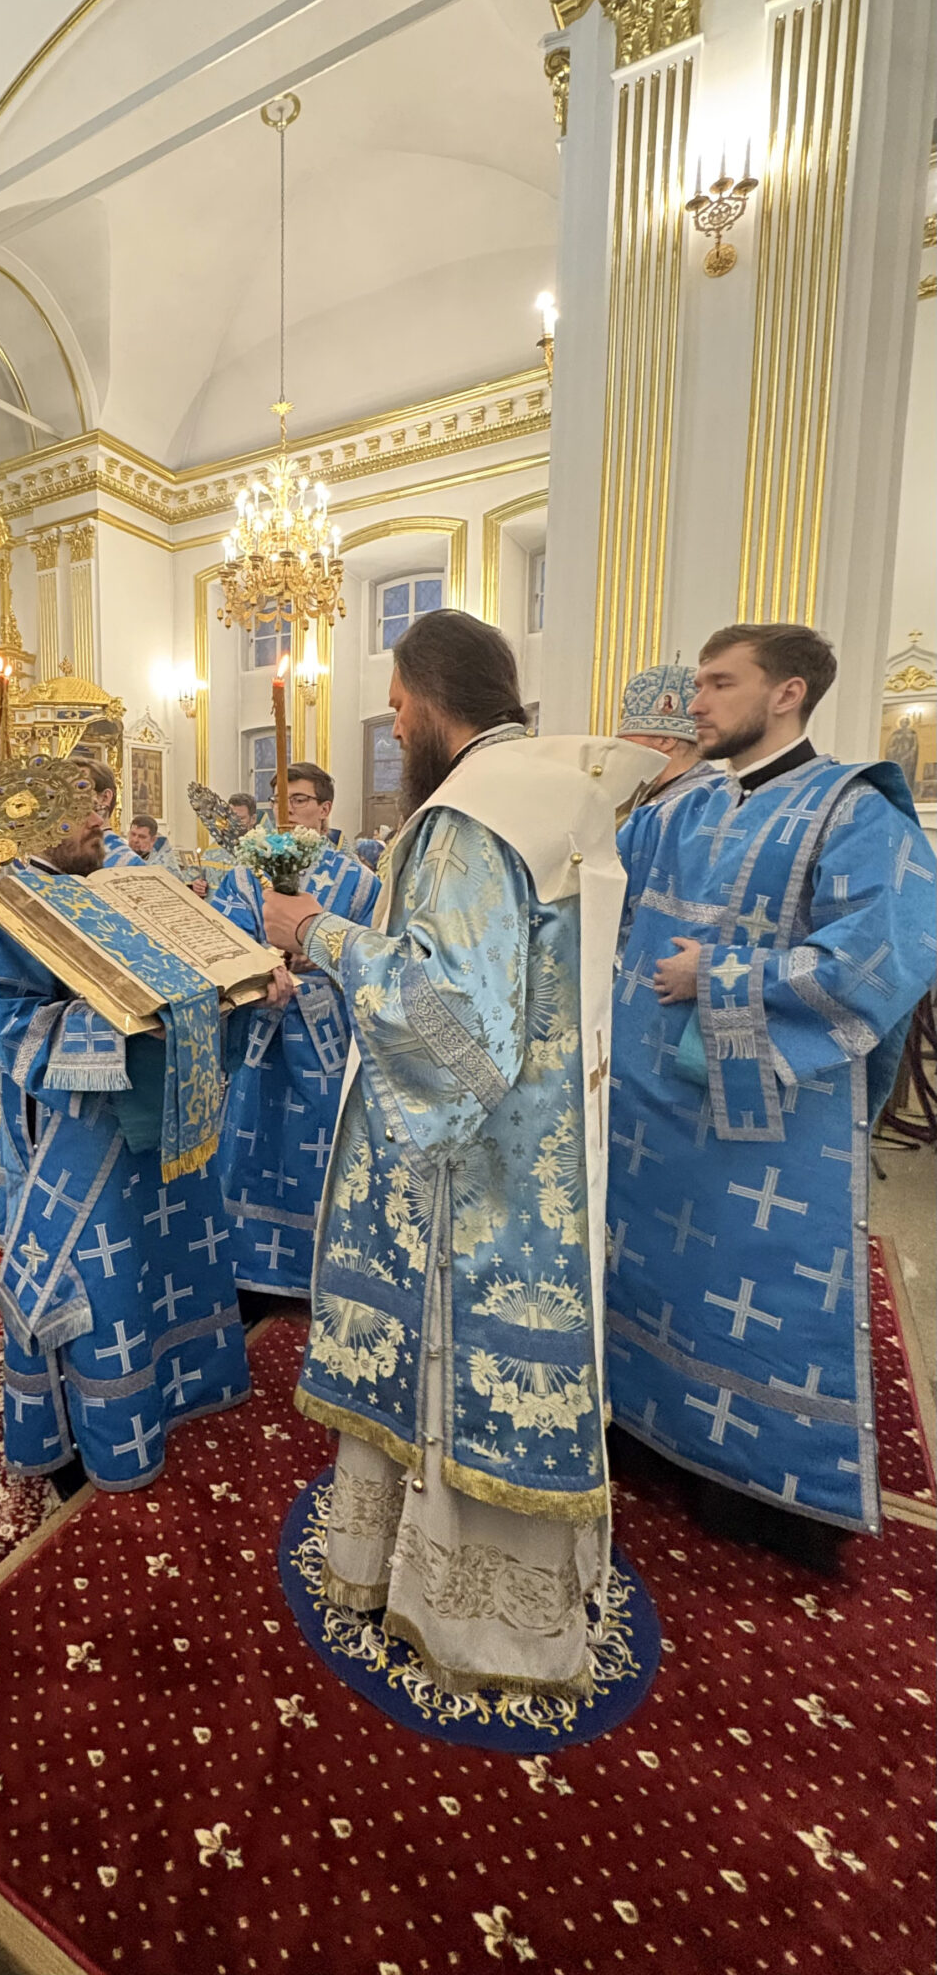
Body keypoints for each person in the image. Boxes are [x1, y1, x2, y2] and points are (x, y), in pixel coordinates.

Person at [262, 612, 657, 1694]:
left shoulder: (471, 817)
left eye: (397, 706)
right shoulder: (547, 789)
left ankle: (462, 1611)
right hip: (543, 1149)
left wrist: (314, 932)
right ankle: (473, 1585)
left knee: (455, 1363)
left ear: (434, 696)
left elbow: (457, 1026)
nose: (393, 727)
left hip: (473, 1175)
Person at [606, 624, 937, 1569]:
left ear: (787, 692)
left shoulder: (854, 811)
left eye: (720, 683)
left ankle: (764, 1484)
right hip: (647, 1104)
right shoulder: (679, 808)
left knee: (754, 1283)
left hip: (768, 1125)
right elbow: (587, 888)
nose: (696, 703)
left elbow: (884, 955)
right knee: (645, 1265)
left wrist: (722, 974)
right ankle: (642, 1425)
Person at [0, 757, 258, 1491]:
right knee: (103, 1288)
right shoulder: (9, 908)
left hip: (155, 1118)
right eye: (84, 810)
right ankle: (95, 1432)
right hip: (77, 1136)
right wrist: (132, 1020)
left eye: (100, 805)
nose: (103, 819)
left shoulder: (109, 890)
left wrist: (235, 989)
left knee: (162, 1260)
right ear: (39, 822)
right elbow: (13, 1026)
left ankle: (178, 1389)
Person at [211, 762, 378, 1304]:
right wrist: (259, 960)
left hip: (325, 1041)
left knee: (319, 1147)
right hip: (258, 1031)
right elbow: (219, 934)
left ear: (326, 808)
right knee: (249, 1141)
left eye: (301, 800)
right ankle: (246, 1267)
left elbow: (377, 954)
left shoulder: (360, 881)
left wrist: (323, 952)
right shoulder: (244, 875)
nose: (288, 811)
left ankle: (318, 1268)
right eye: (280, 801)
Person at [616, 661, 712, 808]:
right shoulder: (646, 795)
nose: (620, 748)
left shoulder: (700, 801)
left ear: (665, 741)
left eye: (628, 742)